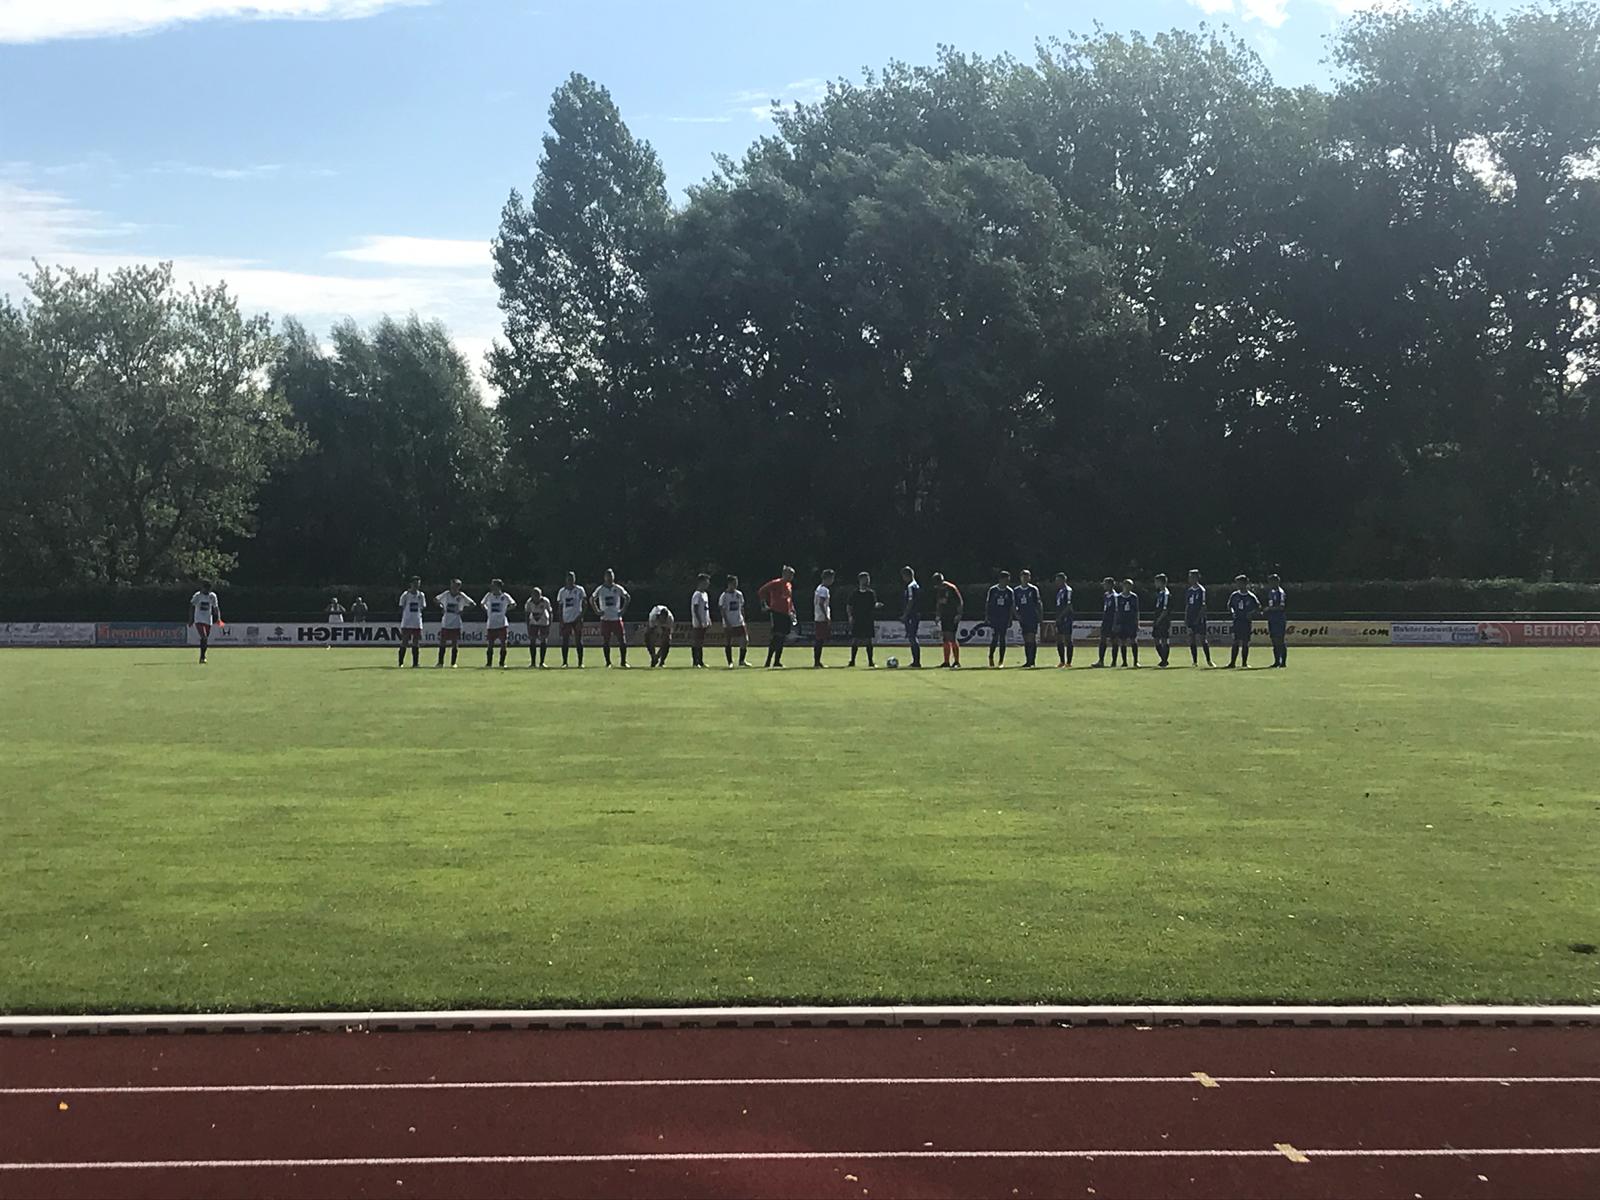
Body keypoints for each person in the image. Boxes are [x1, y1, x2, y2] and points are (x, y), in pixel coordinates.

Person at [758, 566, 797, 668]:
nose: (792, 576)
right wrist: (764, 604)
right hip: (777, 612)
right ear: (784, 574)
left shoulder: (789, 585)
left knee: (782, 638)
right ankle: (768, 661)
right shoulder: (776, 583)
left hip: (786, 613)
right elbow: (762, 591)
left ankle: (777, 661)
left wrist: (792, 609)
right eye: (790, 574)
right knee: (776, 637)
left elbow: (789, 599)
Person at [591, 569, 631, 667]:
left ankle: (623, 661)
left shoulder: (617, 588)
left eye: (611, 576)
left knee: (622, 640)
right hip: (605, 619)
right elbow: (592, 599)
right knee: (606, 641)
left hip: (616, 618)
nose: (610, 578)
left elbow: (627, 597)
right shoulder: (600, 589)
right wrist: (597, 611)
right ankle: (608, 662)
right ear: (605, 577)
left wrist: (622, 610)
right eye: (608, 576)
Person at [434, 579, 475, 667]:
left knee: (455, 644)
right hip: (445, 623)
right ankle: (440, 662)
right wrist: (441, 607)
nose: (453, 587)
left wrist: (463, 611)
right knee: (442, 643)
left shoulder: (461, 596)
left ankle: (453, 663)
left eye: (455, 586)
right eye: (452, 585)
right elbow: (436, 600)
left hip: (456, 623)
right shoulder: (446, 594)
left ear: (458, 587)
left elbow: (473, 604)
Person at [1226, 574, 1261, 668]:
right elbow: (1230, 606)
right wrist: (1232, 612)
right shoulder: (1234, 595)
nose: (1238, 585)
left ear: (1245, 584)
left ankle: (1244, 663)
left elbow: (1258, 608)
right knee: (1235, 641)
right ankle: (1232, 662)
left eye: (1240, 583)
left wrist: (1251, 613)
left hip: (1246, 622)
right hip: (1237, 621)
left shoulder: (1251, 597)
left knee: (1245, 642)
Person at [480, 579, 515, 668]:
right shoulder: (489, 595)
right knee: (490, 644)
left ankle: (502, 663)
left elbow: (513, 604)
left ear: (498, 586)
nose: (492, 587)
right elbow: (482, 604)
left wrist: (505, 610)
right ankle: (489, 663)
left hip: (502, 624)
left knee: (503, 644)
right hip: (491, 624)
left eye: (493, 585)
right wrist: (487, 610)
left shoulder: (505, 596)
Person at [556, 571, 587, 667]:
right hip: (566, 619)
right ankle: (565, 662)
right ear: (566, 579)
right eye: (568, 578)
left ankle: (580, 662)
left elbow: (585, 604)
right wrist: (561, 620)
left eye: (572, 578)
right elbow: (560, 606)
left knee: (578, 640)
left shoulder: (580, 590)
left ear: (574, 579)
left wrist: (581, 616)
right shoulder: (562, 591)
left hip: (577, 619)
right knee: (565, 641)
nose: (570, 580)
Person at [846, 572, 878, 667]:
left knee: (868, 640)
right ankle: (852, 661)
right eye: (865, 579)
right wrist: (850, 616)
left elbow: (874, 604)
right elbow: (849, 605)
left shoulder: (871, 593)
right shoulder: (854, 593)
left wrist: (877, 605)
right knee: (855, 640)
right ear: (860, 580)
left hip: (868, 619)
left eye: (868, 579)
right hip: (857, 619)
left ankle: (870, 661)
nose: (867, 581)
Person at [985, 570, 1016, 668]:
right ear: (1001, 579)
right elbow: (988, 604)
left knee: (1002, 638)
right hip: (995, 617)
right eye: (1006, 579)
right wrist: (987, 616)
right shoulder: (993, 590)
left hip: (1004, 617)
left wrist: (1010, 618)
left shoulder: (1010, 591)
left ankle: (1001, 660)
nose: (1007, 581)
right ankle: (991, 656)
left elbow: (1011, 606)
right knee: (995, 638)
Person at [933, 572, 963, 668]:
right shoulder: (939, 590)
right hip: (944, 616)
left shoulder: (951, 588)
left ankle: (956, 661)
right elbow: (939, 603)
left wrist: (959, 614)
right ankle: (946, 661)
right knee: (945, 638)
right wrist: (938, 615)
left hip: (952, 615)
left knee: (952, 637)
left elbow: (960, 602)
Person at [719, 575, 749, 667]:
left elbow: (742, 607)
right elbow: (722, 610)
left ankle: (742, 661)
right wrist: (727, 622)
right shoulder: (724, 596)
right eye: (733, 583)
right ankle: (730, 662)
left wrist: (743, 618)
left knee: (745, 640)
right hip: (729, 622)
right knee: (728, 641)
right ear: (729, 584)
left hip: (739, 621)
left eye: (736, 583)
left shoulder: (739, 594)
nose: (735, 585)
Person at [1014, 569, 1042, 668]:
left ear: (1029, 578)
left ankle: (1032, 661)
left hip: (1032, 617)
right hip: (1023, 618)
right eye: (1023, 577)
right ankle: (1028, 660)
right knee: (1026, 639)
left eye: (1027, 577)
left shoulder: (1033, 589)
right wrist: (1016, 614)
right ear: (1020, 578)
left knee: (1031, 638)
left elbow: (1038, 603)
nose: (1025, 579)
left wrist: (1040, 616)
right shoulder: (1016, 590)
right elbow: (1014, 604)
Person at [189, 580, 221, 665]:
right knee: (204, 637)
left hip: (208, 620)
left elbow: (215, 607)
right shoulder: (197, 596)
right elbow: (192, 606)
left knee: (205, 639)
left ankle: (203, 655)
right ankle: (202, 657)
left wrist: (218, 618)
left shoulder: (212, 596)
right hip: (199, 619)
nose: (206, 590)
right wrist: (191, 619)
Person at [1185, 569, 1212, 667]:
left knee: (1202, 639)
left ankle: (1209, 660)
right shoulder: (1189, 591)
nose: (1189, 579)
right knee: (1191, 639)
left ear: (1196, 578)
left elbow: (1203, 606)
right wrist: (1186, 618)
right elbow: (1188, 605)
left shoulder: (1201, 590)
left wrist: (1199, 617)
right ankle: (1195, 661)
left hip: (1199, 619)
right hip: (1190, 618)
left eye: (1191, 577)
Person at [397, 576, 426, 668]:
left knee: (416, 642)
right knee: (404, 641)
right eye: (415, 584)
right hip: (407, 622)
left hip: (417, 622)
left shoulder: (421, 595)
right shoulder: (405, 595)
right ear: (411, 584)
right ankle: (401, 662)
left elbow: (422, 607)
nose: (417, 585)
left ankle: (415, 663)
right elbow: (401, 606)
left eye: (418, 584)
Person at [900, 566, 922, 668]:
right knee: (912, 636)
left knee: (912, 637)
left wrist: (905, 614)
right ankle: (916, 660)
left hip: (912, 615)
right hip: (915, 614)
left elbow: (910, 601)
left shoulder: (910, 586)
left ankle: (916, 661)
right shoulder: (916, 585)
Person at [1265, 573, 1289, 668]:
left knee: (1280, 640)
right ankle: (1276, 661)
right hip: (1272, 619)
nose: (1270, 583)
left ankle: (1283, 662)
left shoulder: (1280, 592)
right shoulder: (1271, 592)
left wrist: (1269, 609)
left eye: (1272, 581)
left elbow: (1281, 607)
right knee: (1274, 640)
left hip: (1279, 619)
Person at [1094, 577, 1119, 667]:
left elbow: (1116, 611)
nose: (1104, 586)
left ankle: (1114, 661)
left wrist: (1115, 624)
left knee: (1114, 641)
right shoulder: (1106, 595)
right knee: (1102, 640)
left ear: (1110, 585)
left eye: (1105, 584)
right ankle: (1101, 660)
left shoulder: (1115, 596)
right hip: (1106, 621)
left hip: (1112, 621)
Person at [812, 569, 835, 668]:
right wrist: (826, 616)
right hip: (821, 618)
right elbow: (821, 603)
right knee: (820, 640)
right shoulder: (824, 590)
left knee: (820, 639)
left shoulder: (819, 588)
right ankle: (817, 662)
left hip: (818, 616)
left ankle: (817, 661)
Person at [525, 587, 552, 668]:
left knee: (543, 641)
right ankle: (533, 662)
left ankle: (542, 662)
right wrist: (528, 625)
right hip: (533, 623)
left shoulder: (545, 601)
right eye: (534, 594)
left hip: (543, 623)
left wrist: (549, 624)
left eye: (538, 595)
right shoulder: (529, 602)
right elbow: (527, 614)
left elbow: (550, 612)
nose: (536, 597)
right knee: (532, 641)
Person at [689, 574, 712, 668]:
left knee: (701, 642)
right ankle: (695, 662)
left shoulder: (705, 594)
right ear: (701, 582)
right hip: (698, 623)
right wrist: (699, 621)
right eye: (706, 582)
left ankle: (700, 661)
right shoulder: (697, 594)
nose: (708, 584)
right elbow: (695, 608)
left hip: (704, 621)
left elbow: (706, 608)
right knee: (696, 641)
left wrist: (708, 619)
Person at [1116, 578, 1140, 667]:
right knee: (1123, 641)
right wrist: (1116, 623)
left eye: (1130, 585)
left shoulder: (1134, 597)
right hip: (1122, 622)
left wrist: (1137, 622)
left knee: (1133, 640)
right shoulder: (1118, 597)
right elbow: (1116, 611)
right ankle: (1124, 661)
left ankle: (1135, 661)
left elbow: (1137, 610)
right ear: (1123, 585)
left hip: (1131, 622)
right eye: (1127, 585)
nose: (1128, 587)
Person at [1151, 574, 1173, 667]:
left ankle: (1164, 660)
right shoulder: (1160, 594)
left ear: (1161, 582)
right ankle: (1163, 659)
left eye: (1156, 582)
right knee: (1156, 639)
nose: (1155, 584)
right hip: (1158, 619)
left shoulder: (1166, 594)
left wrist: (1159, 620)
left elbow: (1165, 610)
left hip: (1163, 620)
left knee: (1164, 639)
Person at [1053, 573, 1074, 668]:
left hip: (1066, 618)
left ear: (1063, 580)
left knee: (1067, 639)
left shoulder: (1068, 590)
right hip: (1059, 618)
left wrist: (1061, 616)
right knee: (1059, 639)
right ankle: (1062, 661)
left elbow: (1068, 605)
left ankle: (1068, 662)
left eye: (1058, 580)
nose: (1056, 582)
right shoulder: (1059, 591)